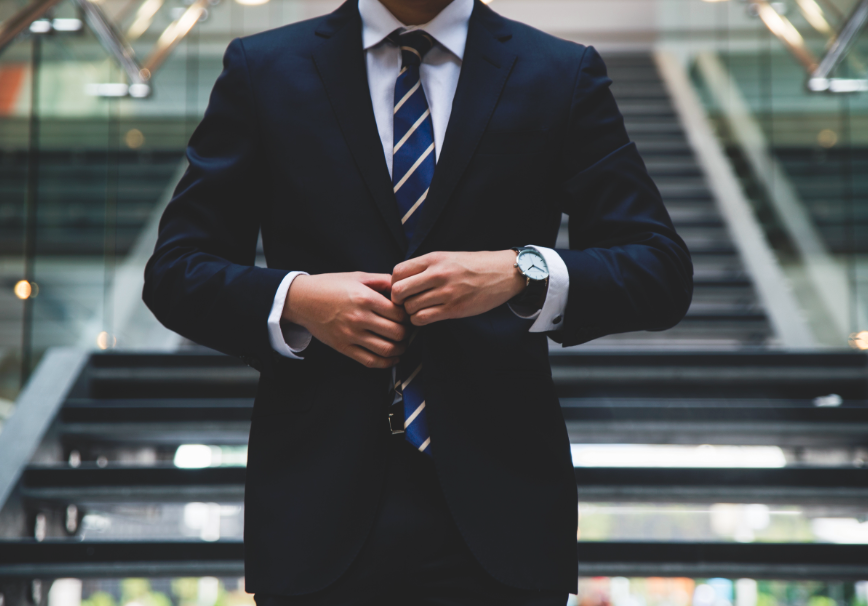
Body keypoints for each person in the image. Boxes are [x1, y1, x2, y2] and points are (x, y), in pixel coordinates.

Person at [143, 0, 693, 602]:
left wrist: (521, 270)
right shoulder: (264, 67)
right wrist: (296, 298)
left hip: (502, 515)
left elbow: (659, 268)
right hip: (315, 506)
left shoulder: (559, 72)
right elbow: (175, 271)